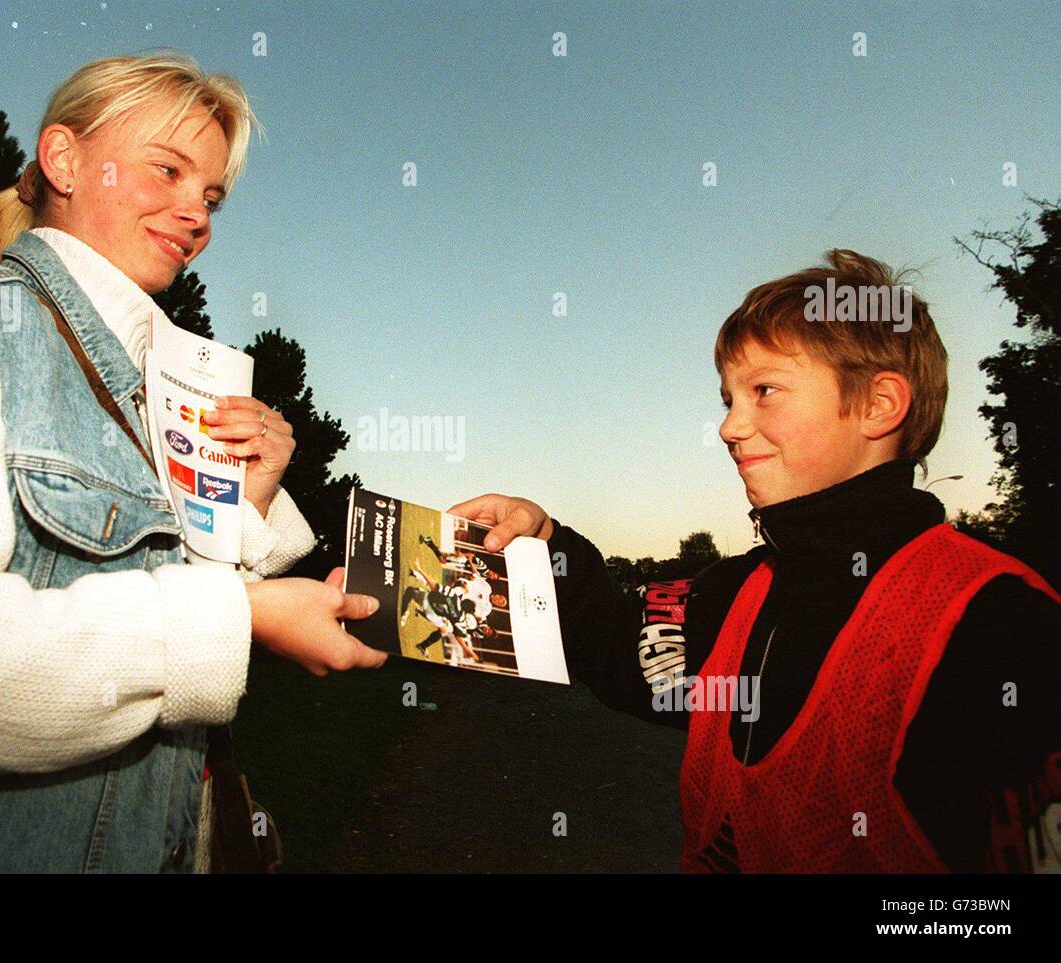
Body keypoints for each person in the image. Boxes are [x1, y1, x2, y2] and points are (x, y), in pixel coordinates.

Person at [0, 52, 386, 873]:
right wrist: (245, 618)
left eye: (211, 197)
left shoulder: (157, 381)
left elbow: (140, 590)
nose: (195, 214)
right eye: (169, 170)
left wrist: (248, 507)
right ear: (63, 159)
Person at [452, 250, 1060, 873]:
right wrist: (545, 543)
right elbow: (619, 648)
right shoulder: (735, 592)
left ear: (880, 405)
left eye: (764, 391)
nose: (728, 428)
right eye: (728, 399)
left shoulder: (999, 623)